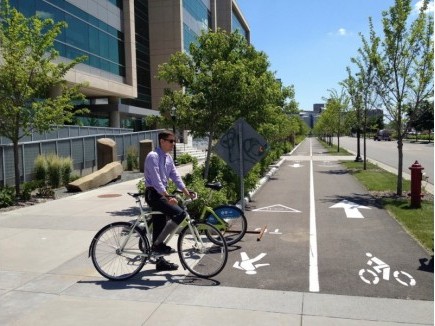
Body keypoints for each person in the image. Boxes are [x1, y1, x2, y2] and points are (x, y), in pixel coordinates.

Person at [144, 130, 193, 271]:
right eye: (171, 141)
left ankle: (159, 261)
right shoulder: (152, 156)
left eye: (174, 141)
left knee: (159, 227)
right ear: (162, 141)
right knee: (180, 214)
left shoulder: (168, 158)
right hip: (153, 194)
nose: (173, 144)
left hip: (160, 194)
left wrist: (186, 191)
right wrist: (167, 196)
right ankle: (158, 245)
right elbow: (156, 180)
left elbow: (175, 176)